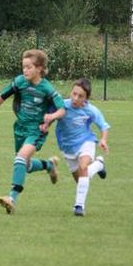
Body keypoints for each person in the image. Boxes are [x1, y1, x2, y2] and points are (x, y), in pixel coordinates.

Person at [0, 49, 65, 214]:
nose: (25, 70)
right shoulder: (19, 82)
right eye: (23, 67)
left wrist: (51, 117)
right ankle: (49, 165)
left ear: (39, 68)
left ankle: (12, 198)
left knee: (20, 158)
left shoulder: (46, 88)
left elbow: (62, 109)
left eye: (28, 67)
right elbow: (2, 96)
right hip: (20, 128)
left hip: (37, 130)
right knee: (26, 165)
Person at [54, 78, 109, 217]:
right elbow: (49, 115)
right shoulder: (63, 106)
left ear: (86, 98)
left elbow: (104, 126)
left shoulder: (91, 110)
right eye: (74, 94)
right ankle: (99, 165)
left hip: (86, 142)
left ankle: (79, 206)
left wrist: (103, 139)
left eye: (80, 96)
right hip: (67, 148)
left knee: (83, 167)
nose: (75, 98)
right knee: (81, 179)